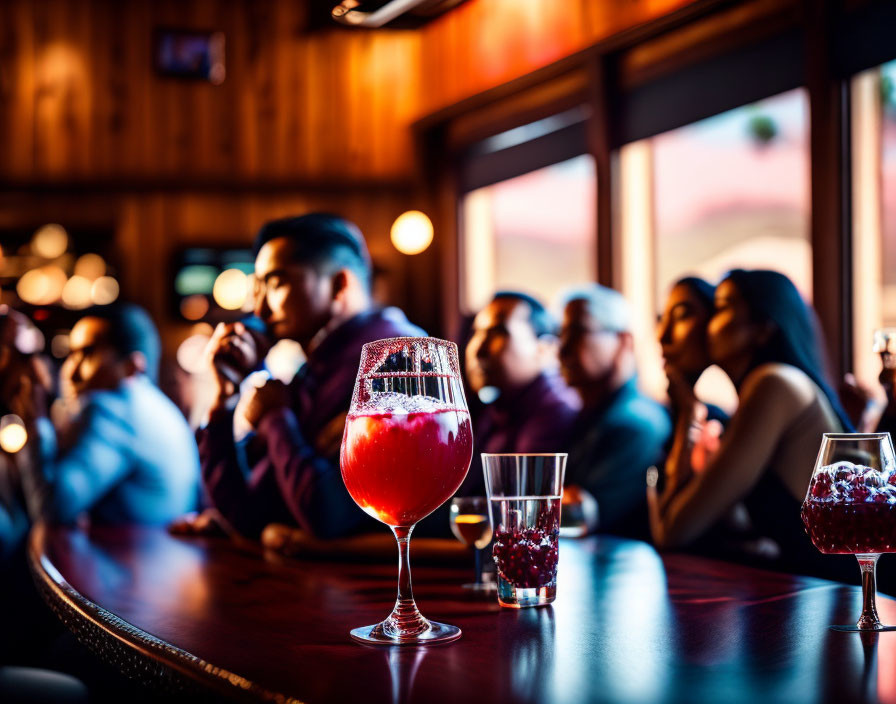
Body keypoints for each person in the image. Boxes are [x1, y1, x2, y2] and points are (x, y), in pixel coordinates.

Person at [198, 213, 425, 540]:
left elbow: (327, 517)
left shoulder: (399, 360)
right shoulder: (317, 364)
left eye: (276, 283)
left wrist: (275, 416)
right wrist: (226, 398)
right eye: (257, 287)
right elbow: (251, 513)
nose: (259, 309)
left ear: (338, 285)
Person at [648, 269, 853, 579]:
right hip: (821, 590)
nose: (706, 324)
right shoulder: (756, 392)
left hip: (854, 592)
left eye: (720, 308)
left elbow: (673, 531)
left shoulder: (773, 384)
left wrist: (690, 413)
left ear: (762, 328)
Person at [14, 304, 200, 526]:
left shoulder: (114, 409)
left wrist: (34, 418)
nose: (70, 372)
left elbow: (51, 509)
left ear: (132, 367)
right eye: (70, 354)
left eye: (87, 353)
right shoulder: (155, 405)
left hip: (132, 557)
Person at [558, 284, 671, 539]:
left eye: (577, 332)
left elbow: (579, 517)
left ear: (623, 341)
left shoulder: (636, 423)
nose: (562, 348)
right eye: (561, 333)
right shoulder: (587, 416)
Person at [461, 291, 579, 494]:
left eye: (498, 332)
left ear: (545, 349)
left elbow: (514, 506)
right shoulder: (494, 407)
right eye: (476, 333)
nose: (478, 349)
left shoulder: (554, 411)